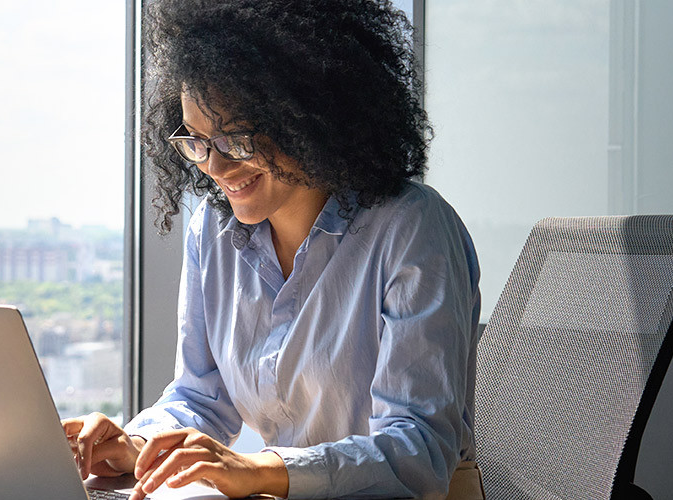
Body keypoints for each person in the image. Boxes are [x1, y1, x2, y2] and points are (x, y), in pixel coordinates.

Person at [61, 1, 482, 499]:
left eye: (236, 140)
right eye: (195, 141)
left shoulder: (412, 229)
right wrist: (139, 445)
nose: (214, 168)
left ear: (309, 116)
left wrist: (259, 469)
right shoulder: (211, 232)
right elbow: (201, 397)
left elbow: (419, 453)